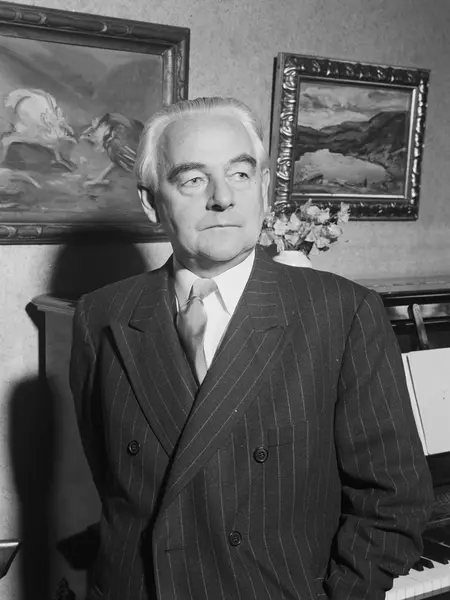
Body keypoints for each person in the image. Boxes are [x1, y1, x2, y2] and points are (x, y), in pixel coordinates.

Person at [70, 96, 433, 600]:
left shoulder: (342, 312)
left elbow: (394, 501)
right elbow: (111, 480)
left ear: (263, 188)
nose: (222, 198)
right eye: (192, 180)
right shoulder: (100, 315)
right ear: (152, 202)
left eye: (240, 174)